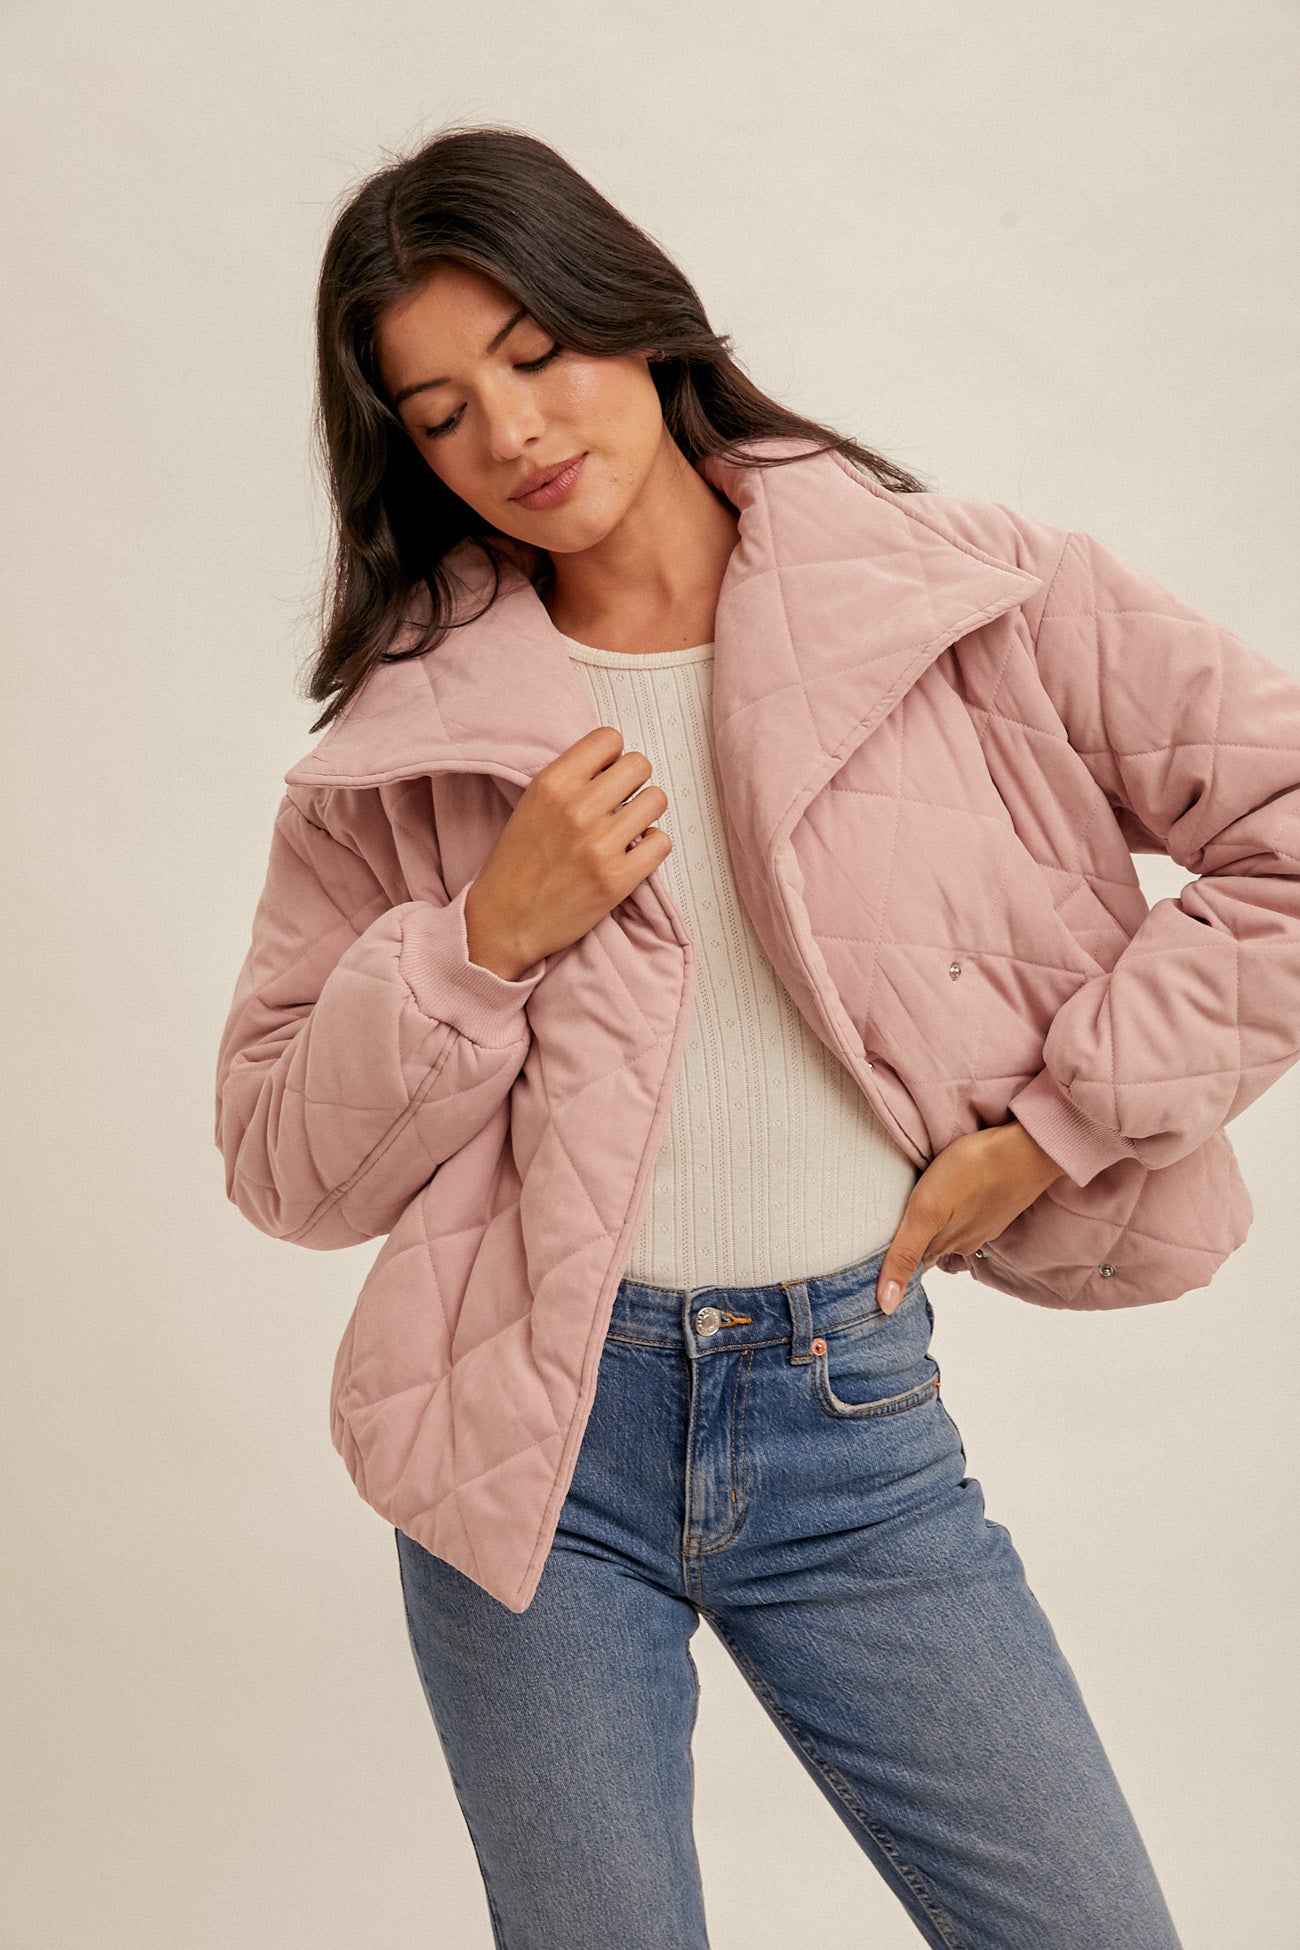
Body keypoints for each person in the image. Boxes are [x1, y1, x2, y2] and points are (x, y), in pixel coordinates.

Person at [214, 124, 1300, 1949]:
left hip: (849, 1419)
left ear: (635, 315)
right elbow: (277, 1163)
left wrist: (1057, 1125)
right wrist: (479, 945)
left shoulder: (975, 596)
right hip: (530, 1453)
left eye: (536, 354)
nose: (512, 433)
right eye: (444, 412)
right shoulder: (403, 740)